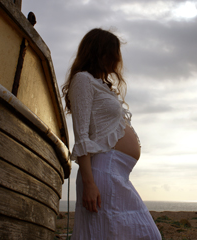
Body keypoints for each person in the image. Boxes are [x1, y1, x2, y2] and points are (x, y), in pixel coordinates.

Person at [62, 28, 161, 240]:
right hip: (102, 172)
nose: (117, 61)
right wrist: (89, 183)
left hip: (116, 173)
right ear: (100, 53)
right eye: (113, 53)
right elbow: (81, 136)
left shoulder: (99, 85)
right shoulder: (83, 80)